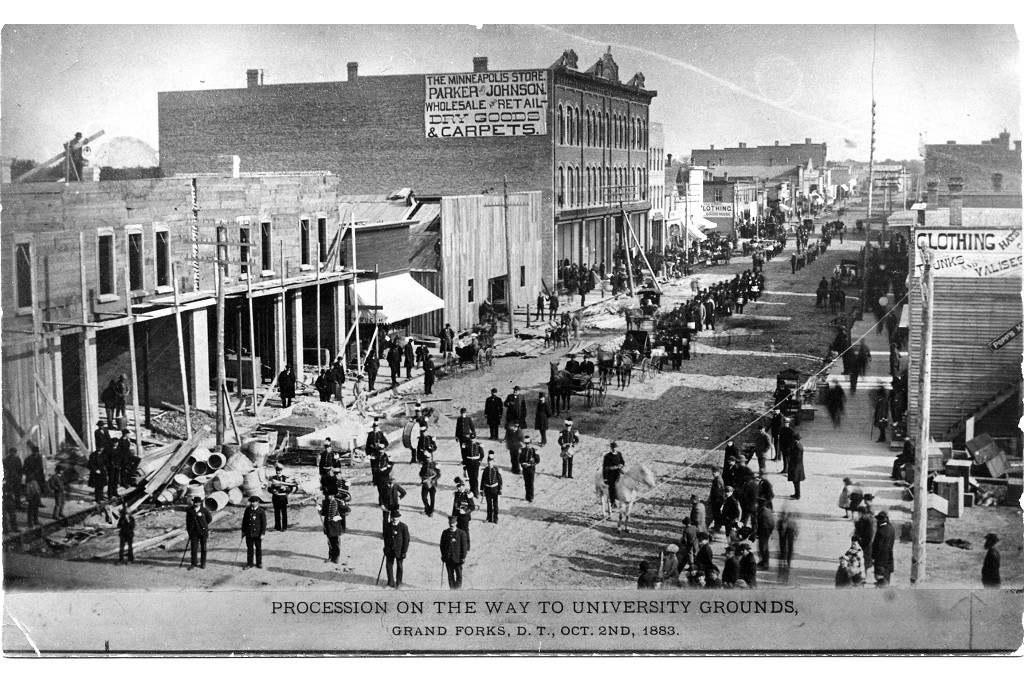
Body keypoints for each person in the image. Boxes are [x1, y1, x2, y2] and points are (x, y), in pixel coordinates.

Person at [383, 510, 410, 589]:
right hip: (389, 550)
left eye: (396, 517)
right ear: (391, 517)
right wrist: (385, 548)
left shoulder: (403, 527)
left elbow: (406, 540)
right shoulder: (388, 526)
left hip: (399, 551)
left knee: (399, 566)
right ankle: (390, 582)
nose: (394, 518)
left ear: (399, 517)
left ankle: (399, 582)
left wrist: (404, 551)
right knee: (389, 565)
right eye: (393, 517)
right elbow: (386, 538)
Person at [441, 515, 469, 589]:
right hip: (448, 558)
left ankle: (458, 589)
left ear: (456, 523)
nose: (451, 524)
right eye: (450, 523)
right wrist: (443, 556)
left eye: (453, 523)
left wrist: (463, 557)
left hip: (458, 558)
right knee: (450, 576)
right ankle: (452, 589)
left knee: (459, 575)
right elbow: (442, 545)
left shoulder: (461, 533)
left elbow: (464, 547)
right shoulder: (445, 532)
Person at [185, 496, 212, 569]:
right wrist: (189, 532)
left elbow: (209, 519)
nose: (196, 504)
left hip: (203, 532)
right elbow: (188, 522)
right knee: (194, 548)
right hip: (194, 533)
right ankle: (193, 563)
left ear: (200, 503)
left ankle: (203, 563)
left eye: (198, 503)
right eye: (195, 502)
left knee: (203, 548)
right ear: (193, 502)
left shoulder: (204, 510)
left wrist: (203, 525)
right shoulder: (189, 510)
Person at [240, 496, 267, 569]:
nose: (252, 503)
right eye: (251, 502)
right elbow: (244, 522)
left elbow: (264, 524)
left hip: (257, 534)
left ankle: (259, 563)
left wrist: (263, 533)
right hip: (249, 533)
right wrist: (243, 531)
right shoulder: (247, 510)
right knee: (250, 549)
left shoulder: (261, 511)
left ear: (257, 502)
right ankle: (249, 563)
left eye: (253, 502)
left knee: (258, 548)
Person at [268, 463, 296, 531]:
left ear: (281, 470)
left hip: (283, 497)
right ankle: (277, 527)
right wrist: (273, 491)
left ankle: (284, 527)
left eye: (279, 470)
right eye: (277, 470)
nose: (278, 471)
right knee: (276, 513)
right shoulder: (272, 478)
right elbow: (269, 488)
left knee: (284, 513)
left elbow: (290, 488)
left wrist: (285, 489)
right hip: (276, 497)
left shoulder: (285, 478)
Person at [871, 511, 895, 586]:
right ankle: (886, 584)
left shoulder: (880, 531)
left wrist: (873, 557)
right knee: (887, 573)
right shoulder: (891, 528)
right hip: (889, 555)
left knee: (878, 574)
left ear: (879, 521)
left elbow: (878, 546)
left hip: (880, 557)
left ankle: (881, 585)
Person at [451, 477, 475, 552]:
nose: (459, 488)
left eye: (460, 486)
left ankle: (467, 546)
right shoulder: (456, 494)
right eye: (458, 487)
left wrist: (465, 512)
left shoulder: (468, 494)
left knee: (465, 531)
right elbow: (454, 506)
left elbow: (472, 507)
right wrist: (453, 517)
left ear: (463, 486)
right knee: (457, 530)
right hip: (457, 515)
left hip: (464, 517)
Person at [322, 491, 346, 564]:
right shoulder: (326, 502)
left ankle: (336, 557)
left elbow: (347, 510)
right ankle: (330, 556)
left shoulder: (338, 502)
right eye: (327, 495)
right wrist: (319, 509)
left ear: (333, 495)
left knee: (335, 542)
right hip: (328, 525)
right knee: (329, 542)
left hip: (335, 526)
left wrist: (338, 517)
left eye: (330, 495)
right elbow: (323, 513)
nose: (328, 496)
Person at [481, 453, 503, 523]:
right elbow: (483, 480)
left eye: (491, 461)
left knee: (495, 505)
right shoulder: (485, 470)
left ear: (493, 462)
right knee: (489, 504)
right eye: (488, 461)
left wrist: (500, 489)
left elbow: (500, 480)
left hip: (495, 489)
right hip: (487, 489)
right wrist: (481, 489)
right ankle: (489, 518)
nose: (489, 463)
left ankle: (496, 518)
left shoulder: (496, 470)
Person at [602, 442, 625, 509]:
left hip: (619, 472)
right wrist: (605, 478)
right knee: (612, 486)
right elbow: (604, 467)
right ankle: (613, 502)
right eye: (613, 448)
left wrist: (621, 465)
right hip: (611, 474)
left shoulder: (619, 454)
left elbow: (622, 462)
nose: (614, 449)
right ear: (611, 448)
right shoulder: (607, 456)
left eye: (615, 447)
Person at [855, 506, 877, 572]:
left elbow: (863, 531)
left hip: (866, 542)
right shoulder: (868, 518)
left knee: (865, 558)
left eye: (858, 513)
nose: (857, 514)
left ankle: (864, 574)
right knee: (865, 558)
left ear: (861, 513)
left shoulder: (866, 520)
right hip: (868, 541)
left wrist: (856, 523)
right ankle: (864, 572)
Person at [419, 452, 441, 517]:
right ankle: (427, 509)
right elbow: (420, 473)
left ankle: (431, 511)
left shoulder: (435, 465)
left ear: (431, 457)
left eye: (429, 458)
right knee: (424, 497)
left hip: (432, 484)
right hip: (425, 483)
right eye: (426, 458)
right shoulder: (424, 464)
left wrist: (433, 479)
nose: (428, 459)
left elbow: (438, 475)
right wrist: (423, 478)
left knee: (432, 498)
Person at [519, 436, 540, 503]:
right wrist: (522, 463)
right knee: (526, 482)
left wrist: (530, 464)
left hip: (531, 469)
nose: (527, 445)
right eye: (526, 443)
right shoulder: (523, 450)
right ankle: (527, 496)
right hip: (525, 468)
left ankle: (531, 497)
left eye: (528, 443)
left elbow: (537, 460)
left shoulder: (534, 451)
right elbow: (520, 459)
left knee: (530, 483)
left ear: (531, 443)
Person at [755, 498, 775, 568]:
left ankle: (765, 563)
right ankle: (763, 561)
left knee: (763, 547)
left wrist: (758, 533)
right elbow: (772, 523)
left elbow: (761, 525)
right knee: (764, 547)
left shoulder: (762, 513)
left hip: (764, 532)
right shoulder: (768, 510)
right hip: (767, 532)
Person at [788, 432, 805, 500]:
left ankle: (797, 495)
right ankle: (796, 493)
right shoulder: (798, 445)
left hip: (796, 466)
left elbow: (796, 457)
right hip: (798, 466)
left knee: (796, 481)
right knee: (795, 481)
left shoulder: (796, 446)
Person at [708, 465, 725, 533]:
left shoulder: (717, 480)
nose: (713, 473)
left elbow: (717, 492)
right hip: (718, 500)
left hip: (717, 500)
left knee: (716, 514)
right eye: (713, 472)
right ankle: (717, 526)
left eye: (715, 472)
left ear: (719, 472)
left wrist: (713, 499)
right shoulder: (718, 479)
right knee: (716, 513)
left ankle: (717, 527)